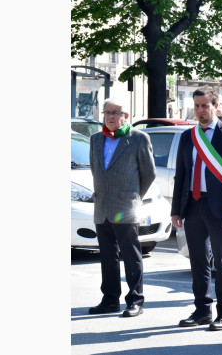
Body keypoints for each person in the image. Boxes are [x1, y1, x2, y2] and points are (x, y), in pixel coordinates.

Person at [171, 86, 222, 331]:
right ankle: (202, 309)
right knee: (198, 262)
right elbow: (180, 175)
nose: (200, 111)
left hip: (221, 209)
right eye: (197, 106)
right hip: (193, 205)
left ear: (215, 105)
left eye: (205, 106)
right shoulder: (186, 136)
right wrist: (176, 210)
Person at [87, 97, 156, 318]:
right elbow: (96, 170)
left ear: (126, 116)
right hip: (103, 206)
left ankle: (135, 300)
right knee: (107, 256)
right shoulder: (96, 139)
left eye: (116, 112)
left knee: (131, 254)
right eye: (107, 112)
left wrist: (134, 196)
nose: (111, 117)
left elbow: (149, 173)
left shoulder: (137, 139)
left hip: (126, 206)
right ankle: (109, 299)